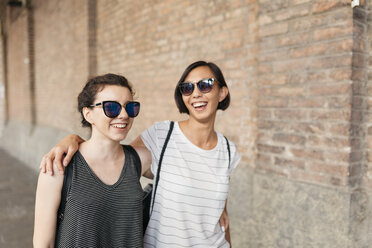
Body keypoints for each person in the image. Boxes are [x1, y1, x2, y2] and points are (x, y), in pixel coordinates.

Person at [41, 61, 240, 247]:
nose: (196, 93)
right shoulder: (163, 136)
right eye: (188, 88)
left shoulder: (229, 150)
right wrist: (72, 139)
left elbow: (221, 213)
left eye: (205, 85)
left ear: (222, 93)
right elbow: (110, 155)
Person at [33, 73, 151, 247]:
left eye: (130, 107)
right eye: (111, 107)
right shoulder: (58, 167)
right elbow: (44, 244)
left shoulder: (139, 159)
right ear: (88, 114)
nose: (124, 115)